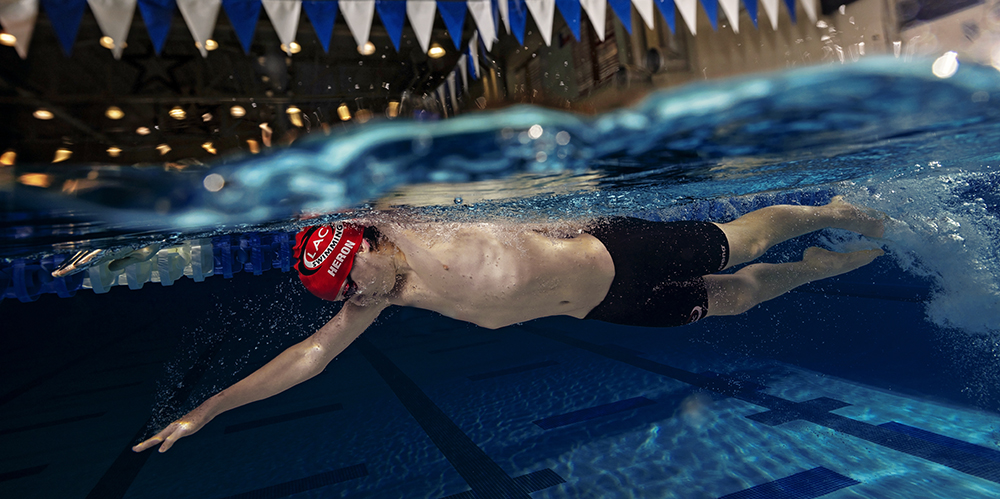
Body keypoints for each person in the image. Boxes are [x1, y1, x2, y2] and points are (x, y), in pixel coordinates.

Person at [133, 196, 884, 453]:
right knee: (735, 298)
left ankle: (829, 213)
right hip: (602, 304)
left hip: (617, 246)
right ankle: (816, 264)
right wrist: (206, 408)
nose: (354, 291)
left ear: (367, 237)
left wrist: (353, 201)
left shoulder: (415, 229)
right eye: (343, 287)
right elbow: (308, 359)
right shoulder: (378, 297)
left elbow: (389, 191)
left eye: (353, 271)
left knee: (742, 237)